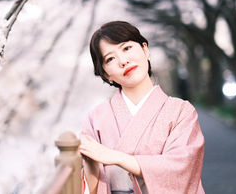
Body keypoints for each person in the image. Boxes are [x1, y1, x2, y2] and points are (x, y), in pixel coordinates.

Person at [79, 21, 205, 194]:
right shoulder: (96, 118)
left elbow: (181, 167)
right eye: (110, 59)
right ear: (107, 75)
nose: (123, 61)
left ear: (145, 50)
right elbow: (89, 184)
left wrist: (116, 157)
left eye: (127, 48)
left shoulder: (182, 112)